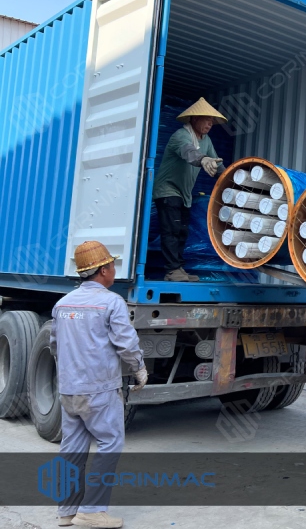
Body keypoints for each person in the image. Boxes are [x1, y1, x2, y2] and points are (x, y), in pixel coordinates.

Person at [50, 241, 148, 528]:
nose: (114, 270)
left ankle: (67, 512)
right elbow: (126, 343)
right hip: (99, 390)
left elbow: (55, 346)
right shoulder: (111, 302)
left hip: (69, 389)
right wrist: (139, 368)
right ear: (103, 270)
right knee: (110, 442)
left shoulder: (62, 304)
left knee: (72, 448)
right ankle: (92, 510)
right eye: (112, 265)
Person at [152, 97, 228, 281]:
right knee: (172, 229)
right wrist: (203, 159)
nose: (210, 124)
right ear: (194, 119)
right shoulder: (181, 135)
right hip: (168, 190)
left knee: (182, 231)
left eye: (212, 121)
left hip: (184, 194)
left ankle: (179, 269)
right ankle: (172, 271)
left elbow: (217, 165)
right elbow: (189, 153)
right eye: (207, 119)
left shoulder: (206, 140)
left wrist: (231, 179)